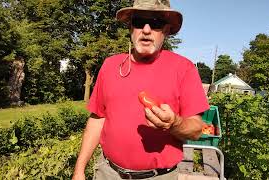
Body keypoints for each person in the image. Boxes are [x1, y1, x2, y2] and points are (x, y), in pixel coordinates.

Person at [72, 0, 210, 179]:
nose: (146, 30)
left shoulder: (184, 68)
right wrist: (79, 170)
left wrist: (174, 123)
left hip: (158, 177)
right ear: (131, 28)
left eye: (155, 23)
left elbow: (196, 129)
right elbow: (97, 119)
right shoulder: (110, 65)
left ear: (166, 31)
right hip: (108, 173)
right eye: (139, 22)